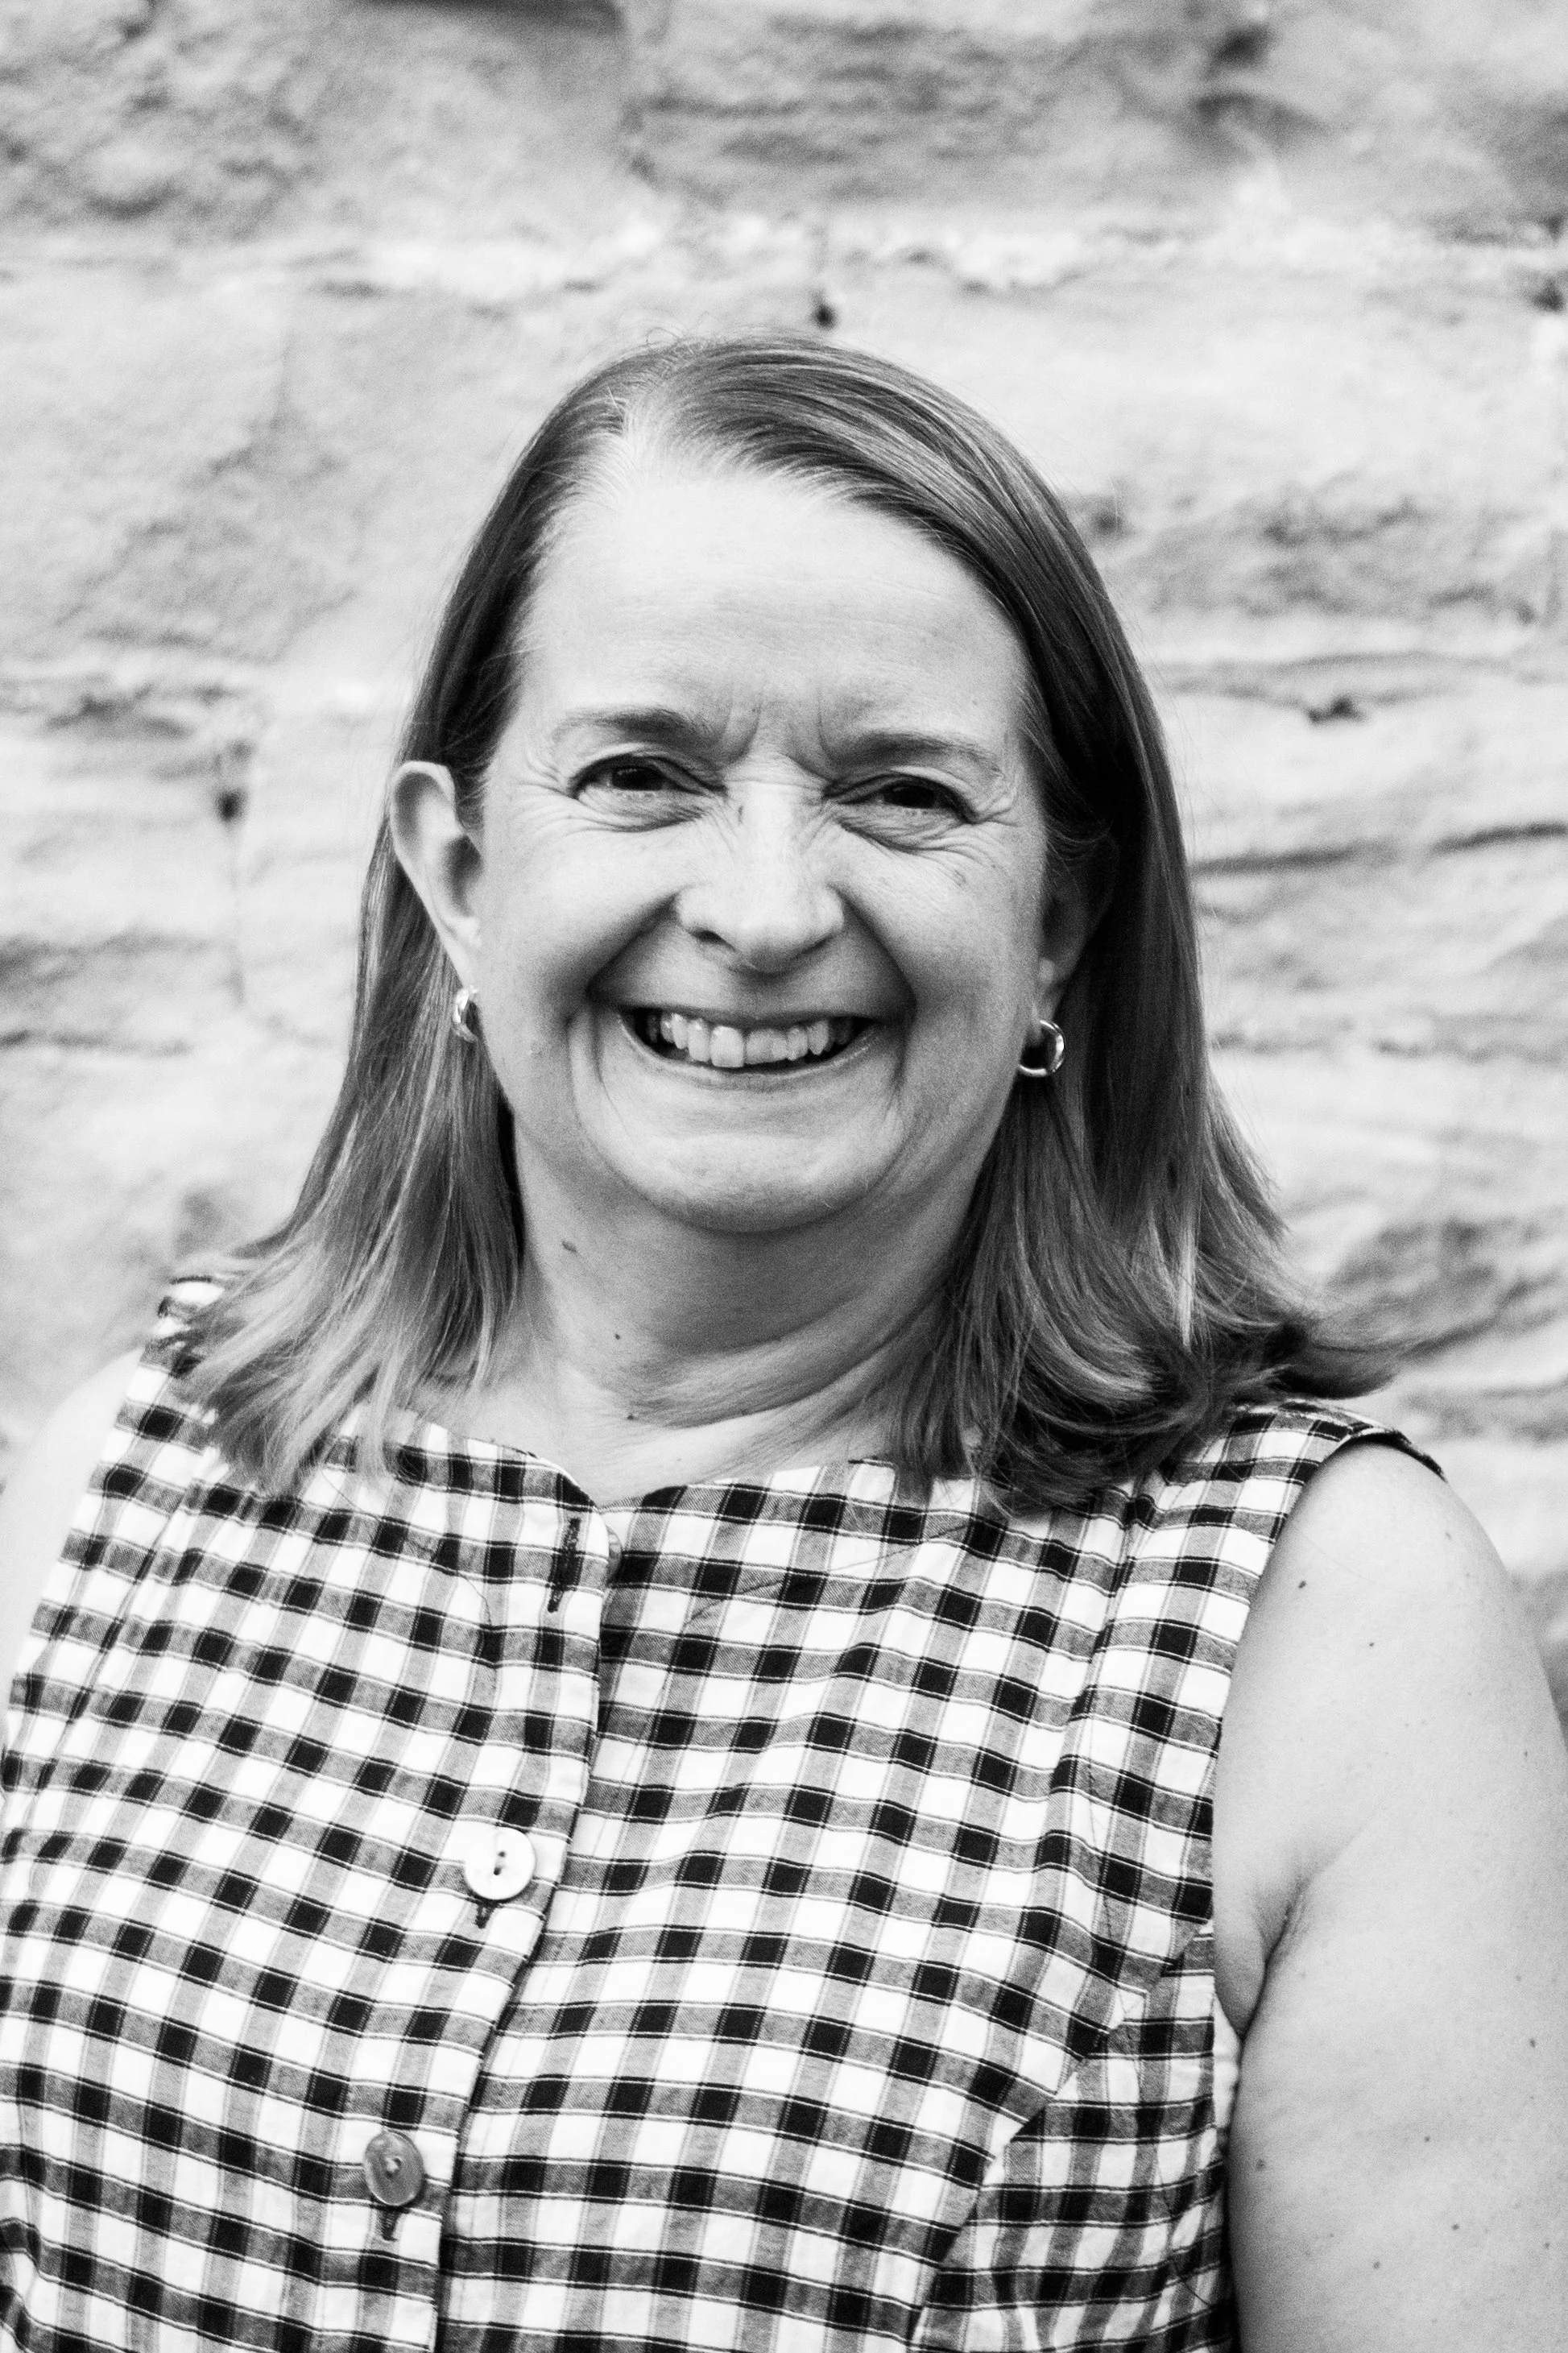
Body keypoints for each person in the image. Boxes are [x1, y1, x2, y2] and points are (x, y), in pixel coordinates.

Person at [1, 336, 1564, 2353]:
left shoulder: (1329, 1632)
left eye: (898, 792)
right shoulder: (132, 1476)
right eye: (640, 773)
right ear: (459, 871)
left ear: (1057, 920)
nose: (758, 909)